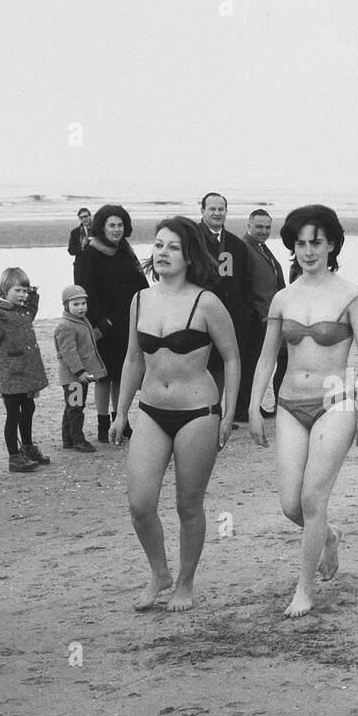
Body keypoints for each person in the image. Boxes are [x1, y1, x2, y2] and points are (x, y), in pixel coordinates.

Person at [248, 205, 358, 618]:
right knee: (290, 506)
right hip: (288, 404)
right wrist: (253, 405)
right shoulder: (283, 297)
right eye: (300, 243)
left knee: (311, 498)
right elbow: (267, 358)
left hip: (335, 404)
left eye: (316, 242)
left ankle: (304, 589)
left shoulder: (349, 294)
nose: (308, 250)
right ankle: (329, 535)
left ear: (332, 244)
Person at [109, 218, 239, 611]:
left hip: (198, 412)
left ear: (189, 255)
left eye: (173, 247)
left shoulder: (207, 303)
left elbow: (232, 357)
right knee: (140, 504)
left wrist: (229, 412)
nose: (162, 253)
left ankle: (185, 582)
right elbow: (134, 358)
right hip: (150, 411)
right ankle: (159, 573)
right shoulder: (140, 300)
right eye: (158, 245)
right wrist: (119, 414)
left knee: (188, 504)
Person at [78, 205, 149, 442]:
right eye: (111, 225)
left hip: (127, 321)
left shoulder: (126, 250)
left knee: (122, 374)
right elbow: (85, 290)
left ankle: (121, 420)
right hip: (102, 324)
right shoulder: (90, 253)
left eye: (120, 225)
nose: (116, 230)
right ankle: (101, 425)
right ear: (102, 226)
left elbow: (141, 282)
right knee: (103, 376)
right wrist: (100, 322)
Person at [0, 268, 49, 473]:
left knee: (28, 408)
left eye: (25, 291)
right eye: (18, 290)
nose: (23, 295)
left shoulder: (23, 310)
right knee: (13, 413)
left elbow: (32, 311)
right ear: (5, 289)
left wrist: (34, 295)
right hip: (9, 372)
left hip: (26, 372)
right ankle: (14, 457)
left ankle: (27, 447)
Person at [195, 192, 255, 420]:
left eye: (221, 209)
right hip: (200, 315)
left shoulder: (236, 244)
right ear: (202, 211)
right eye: (212, 209)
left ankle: (216, 412)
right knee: (200, 364)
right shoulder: (193, 240)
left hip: (230, 316)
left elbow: (245, 281)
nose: (217, 213)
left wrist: (245, 310)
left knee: (222, 364)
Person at [242, 208, 288, 418]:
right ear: (248, 225)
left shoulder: (263, 248)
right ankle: (248, 408)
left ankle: (280, 404)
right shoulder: (244, 248)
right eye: (259, 226)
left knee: (283, 359)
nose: (264, 231)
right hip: (258, 318)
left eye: (267, 227)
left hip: (273, 315)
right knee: (253, 364)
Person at [54, 285, 107, 452]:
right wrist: (80, 372)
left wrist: (103, 329)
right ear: (66, 306)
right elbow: (68, 352)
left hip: (78, 377)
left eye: (83, 303)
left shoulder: (81, 322)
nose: (81, 307)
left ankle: (68, 439)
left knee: (73, 406)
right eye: (75, 304)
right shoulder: (66, 325)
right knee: (76, 408)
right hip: (74, 378)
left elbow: (87, 341)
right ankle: (77, 440)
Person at [68, 207, 93, 281]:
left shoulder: (98, 230)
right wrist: (81, 245)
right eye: (81, 217)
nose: (84, 219)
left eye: (85, 216)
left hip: (96, 265)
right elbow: (71, 251)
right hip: (81, 267)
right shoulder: (75, 232)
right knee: (80, 291)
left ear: (90, 216)